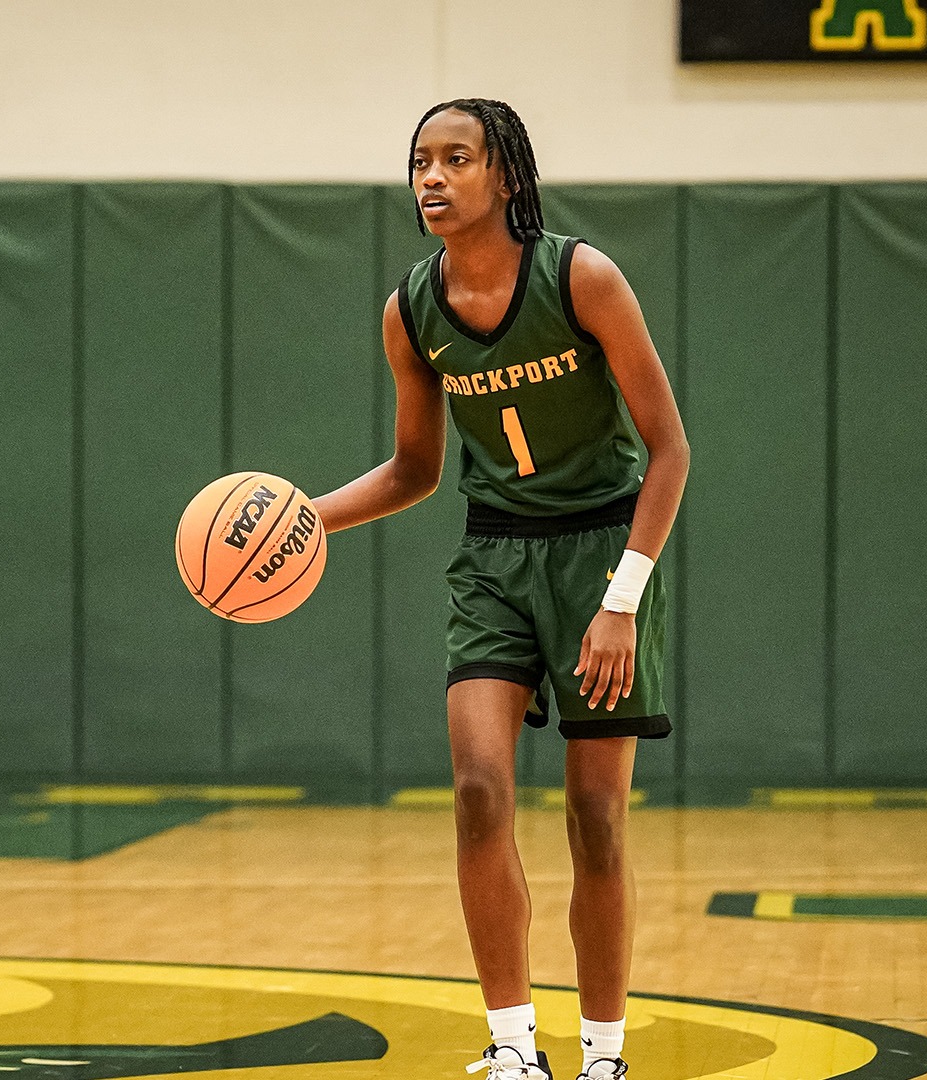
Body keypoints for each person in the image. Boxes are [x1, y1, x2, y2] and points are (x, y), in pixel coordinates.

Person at [311, 98, 689, 1080]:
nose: (431, 178)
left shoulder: (583, 278)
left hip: (604, 552)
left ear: (506, 176)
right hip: (494, 559)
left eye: (455, 159)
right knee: (479, 791)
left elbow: (671, 449)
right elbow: (413, 472)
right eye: (419, 162)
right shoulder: (411, 310)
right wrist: (306, 518)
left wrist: (623, 599)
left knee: (596, 819)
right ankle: (514, 1046)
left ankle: (603, 1054)